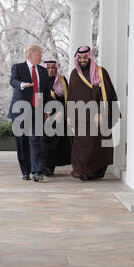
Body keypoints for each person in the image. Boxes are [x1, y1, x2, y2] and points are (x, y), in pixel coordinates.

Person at [67, 46, 120, 181]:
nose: (83, 60)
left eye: (85, 57)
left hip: (97, 116)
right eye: (80, 58)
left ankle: (94, 171)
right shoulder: (74, 74)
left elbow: (107, 94)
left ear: (90, 58)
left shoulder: (101, 73)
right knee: (81, 144)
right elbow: (71, 96)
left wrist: (100, 112)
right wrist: (69, 115)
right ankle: (81, 171)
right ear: (77, 59)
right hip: (80, 116)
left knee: (97, 145)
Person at [7, 45, 51, 182]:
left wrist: (47, 109)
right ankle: (25, 171)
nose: (41, 57)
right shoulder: (18, 67)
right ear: (29, 56)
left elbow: (47, 91)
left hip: (37, 110)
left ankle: (37, 172)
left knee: (36, 140)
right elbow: (12, 81)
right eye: (38, 54)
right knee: (22, 142)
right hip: (21, 109)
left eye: (41, 54)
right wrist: (21, 85)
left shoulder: (43, 71)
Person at [41, 61, 72, 176]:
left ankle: (50, 167)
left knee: (57, 143)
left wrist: (63, 112)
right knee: (45, 142)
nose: (51, 70)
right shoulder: (40, 80)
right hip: (45, 116)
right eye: (48, 68)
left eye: (53, 68)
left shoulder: (63, 80)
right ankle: (44, 167)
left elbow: (68, 98)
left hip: (59, 115)